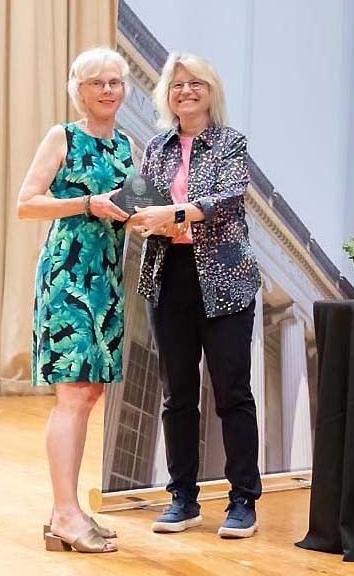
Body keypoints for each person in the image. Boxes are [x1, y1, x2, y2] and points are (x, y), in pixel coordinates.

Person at [129, 51, 262, 539]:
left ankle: (242, 499)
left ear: (211, 91)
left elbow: (226, 200)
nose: (185, 91)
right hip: (169, 276)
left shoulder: (230, 142)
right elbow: (139, 203)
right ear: (167, 94)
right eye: (176, 84)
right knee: (177, 394)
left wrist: (174, 215)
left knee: (232, 392)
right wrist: (136, 215)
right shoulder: (156, 147)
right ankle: (182, 498)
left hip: (224, 278)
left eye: (195, 84)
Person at [17, 47, 134, 553]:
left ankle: (65, 510)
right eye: (96, 83)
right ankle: (65, 513)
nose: (107, 90)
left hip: (108, 277)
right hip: (68, 274)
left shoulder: (128, 145)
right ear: (78, 90)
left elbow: (132, 207)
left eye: (114, 81)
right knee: (72, 393)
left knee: (88, 394)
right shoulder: (61, 137)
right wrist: (86, 203)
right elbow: (27, 203)